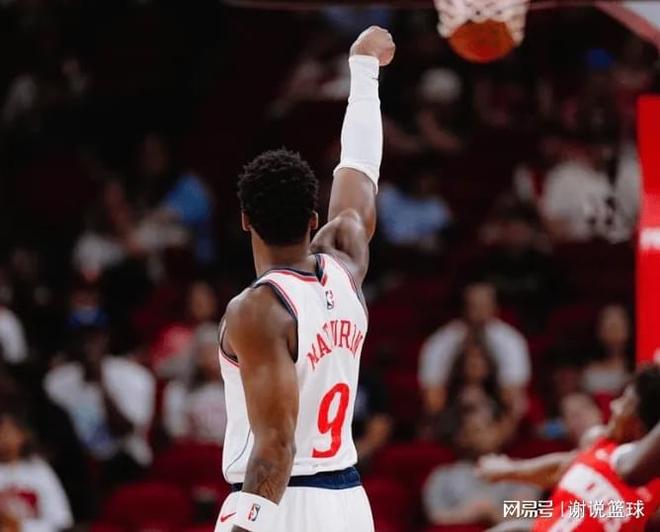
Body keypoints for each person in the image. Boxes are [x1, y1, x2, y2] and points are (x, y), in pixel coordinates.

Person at [214, 26, 395, 532]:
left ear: (245, 220)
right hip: (349, 500)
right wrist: (363, 69)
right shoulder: (346, 262)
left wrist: (244, 526)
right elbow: (360, 169)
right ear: (315, 219)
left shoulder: (257, 309)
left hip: (284, 503)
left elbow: (275, 446)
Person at [477, 365, 660, 531]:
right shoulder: (601, 442)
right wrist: (509, 470)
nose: (613, 406)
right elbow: (562, 470)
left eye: (624, 403)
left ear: (638, 426)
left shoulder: (651, 486)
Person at [43, 319, 155, 490]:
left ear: (106, 338)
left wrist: (101, 384)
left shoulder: (134, 376)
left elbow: (125, 430)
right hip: (77, 465)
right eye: (81, 338)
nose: (87, 345)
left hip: (125, 461)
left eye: (94, 337)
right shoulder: (56, 381)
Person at [423, 388, 539, 527]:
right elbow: (436, 517)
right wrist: (468, 514)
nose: (476, 435)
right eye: (470, 430)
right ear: (461, 436)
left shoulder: (523, 472)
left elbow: (523, 515)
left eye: (484, 428)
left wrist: (491, 513)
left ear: (500, 431)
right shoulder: (443, 476)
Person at [419, 282, 530, 416]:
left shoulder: (511, 341)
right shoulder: (441, 342)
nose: (478, 313)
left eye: (483, 306)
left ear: (495, 308)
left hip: (495, 411)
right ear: (463, 308)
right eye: (473, 306)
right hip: (451, 410)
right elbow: (432, 399)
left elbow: (511, 396)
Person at [0, 408, 73, 532]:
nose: (3, 438)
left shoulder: (38, 469)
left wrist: (21, 527)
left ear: (22, 435)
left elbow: (60, 518)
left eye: (7, 432)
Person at [162, 324, 227, 444]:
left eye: (217, 351)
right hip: (195, 449)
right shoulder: (179, 390)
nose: (213, 358)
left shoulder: (238, 389)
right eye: (207, 352)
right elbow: (176, 430)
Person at [582, 305, 632, 396]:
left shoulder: (637, 366)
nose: (614, 332)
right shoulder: (589, 370)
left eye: (617, 326)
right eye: (609, 327)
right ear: (599, 331)